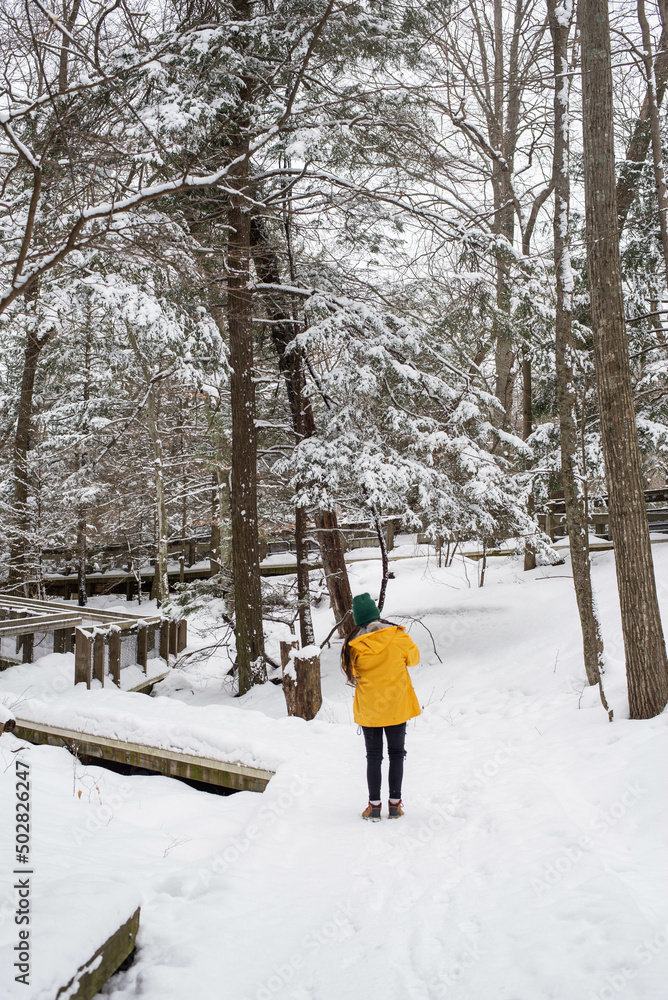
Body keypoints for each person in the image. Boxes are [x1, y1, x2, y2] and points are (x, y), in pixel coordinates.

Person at [341, 592, 420, 821]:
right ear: (376, 614)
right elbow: (413, 660)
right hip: (397, 705)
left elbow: (351, 672)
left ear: (357, 620)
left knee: (373, 756)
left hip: (370, 709)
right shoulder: (398, 636)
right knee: (397, 754)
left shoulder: (353, 646)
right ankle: (395, 806)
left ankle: (373, 807)